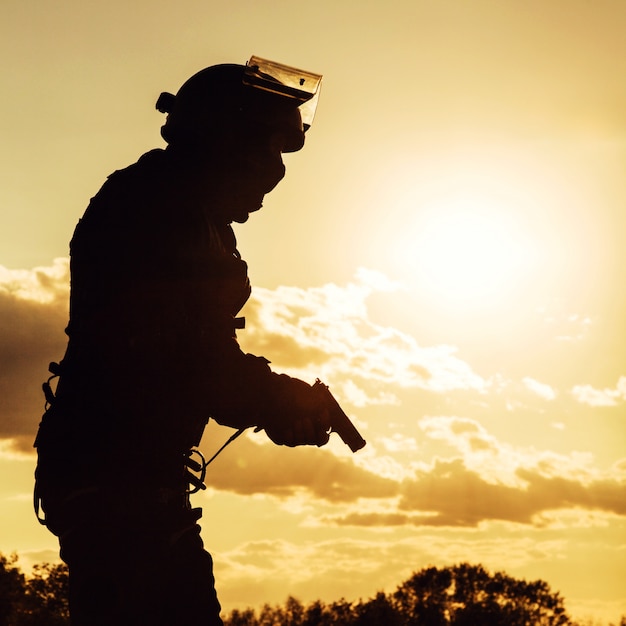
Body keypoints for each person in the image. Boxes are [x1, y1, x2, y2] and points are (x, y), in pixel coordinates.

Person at [33, 56, 333, 626]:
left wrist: (274, 399)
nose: (275, 172)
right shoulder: (158, 212)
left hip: (128, 473)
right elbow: (194, 362)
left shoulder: (181, 211)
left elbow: (200, 354)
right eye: (267, 151)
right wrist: (279, 401)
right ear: (227, 143)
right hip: (115, 476)